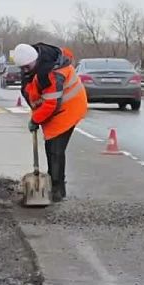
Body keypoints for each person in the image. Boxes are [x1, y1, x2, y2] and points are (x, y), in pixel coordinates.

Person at [13, 42, 88, 201]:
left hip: (68, 109)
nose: (25, 70)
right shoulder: (34, 66)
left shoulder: (53, 74)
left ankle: (57, 190)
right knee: (51, 148)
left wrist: (36, 119)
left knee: (55, 150)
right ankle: (54, 184)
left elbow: (52, 103)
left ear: (35, 60)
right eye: (22, 68)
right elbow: (35, 94)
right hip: (55, 110)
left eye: (27, 67)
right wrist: (36, 114)